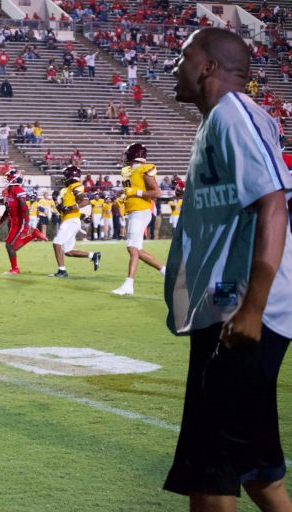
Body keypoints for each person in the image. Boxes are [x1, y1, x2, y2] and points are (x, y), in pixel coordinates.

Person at [163, 27, 292, 511]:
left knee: (212, 472)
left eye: (184, 55)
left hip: (241, 315)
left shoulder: (234, 114)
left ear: (209, 67)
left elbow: (273, 206)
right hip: (226, 310)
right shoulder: (217, 121)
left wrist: (252, 310)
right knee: (253, 468)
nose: (175, 65)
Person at [110, 143, 166, 295]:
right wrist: (123, 196)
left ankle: (129, 284)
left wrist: (136, 192)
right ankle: (165, 271)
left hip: (141, 210)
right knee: (137, 249)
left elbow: (156, 192)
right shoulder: (127, 171)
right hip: (133, 210)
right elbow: (130, 190)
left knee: (131, 247)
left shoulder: (145, 168)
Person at [0, 168, 48, 274]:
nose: (7, 178)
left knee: (9, 245)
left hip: (19, 222)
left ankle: (15, 269)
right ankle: (33, 234)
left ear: (15, 178)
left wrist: (26, 224)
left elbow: (24, 208)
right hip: (14, 222)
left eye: (9, 176)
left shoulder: (18, 190)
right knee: (13, 246)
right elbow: (7, 210)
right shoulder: (8, 191)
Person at [50, 166, 101, 277]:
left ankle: (62, 271)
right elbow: (61, 211)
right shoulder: (66, 190)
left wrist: (72, 207)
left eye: (65, 176)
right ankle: (93, 255)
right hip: (68, 220)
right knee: (68, 251)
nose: (64, 178)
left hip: (71, 221)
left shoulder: (75, 186)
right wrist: (56, 201)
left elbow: (85, 201)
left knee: (57, 243)